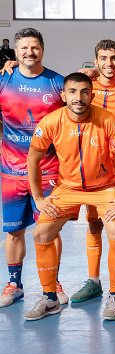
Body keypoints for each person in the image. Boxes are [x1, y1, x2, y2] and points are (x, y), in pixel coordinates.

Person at [25, 72, 115, 321]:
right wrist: (38, 198)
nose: (78, 97)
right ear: (63, 95)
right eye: (72, 92)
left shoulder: (107, 119)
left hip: (104, 187)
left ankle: (114, 295)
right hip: (68, 188)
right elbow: (33, 159)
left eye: (84, 92)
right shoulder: (51, 121)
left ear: (92, 95)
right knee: (41, 234)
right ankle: (50, 298)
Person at [0, 28, 67, 308]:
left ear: (42, 50)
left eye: (35, 47)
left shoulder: (57, 83)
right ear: (16, 51)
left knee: (49, 231)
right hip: (12, 173)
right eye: (24, 48)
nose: (30, 52)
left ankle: (53, 283)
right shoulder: (3, 80)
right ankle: (14, 285)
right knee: (14, 232)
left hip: (49, 172)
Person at [71, 39, 115, 304]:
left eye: (113, 58)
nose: (109, 63)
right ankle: (94, 281)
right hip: (91, 169)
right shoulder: (87, 88)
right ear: (96, 61)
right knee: (93, 226)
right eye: (103, 58)